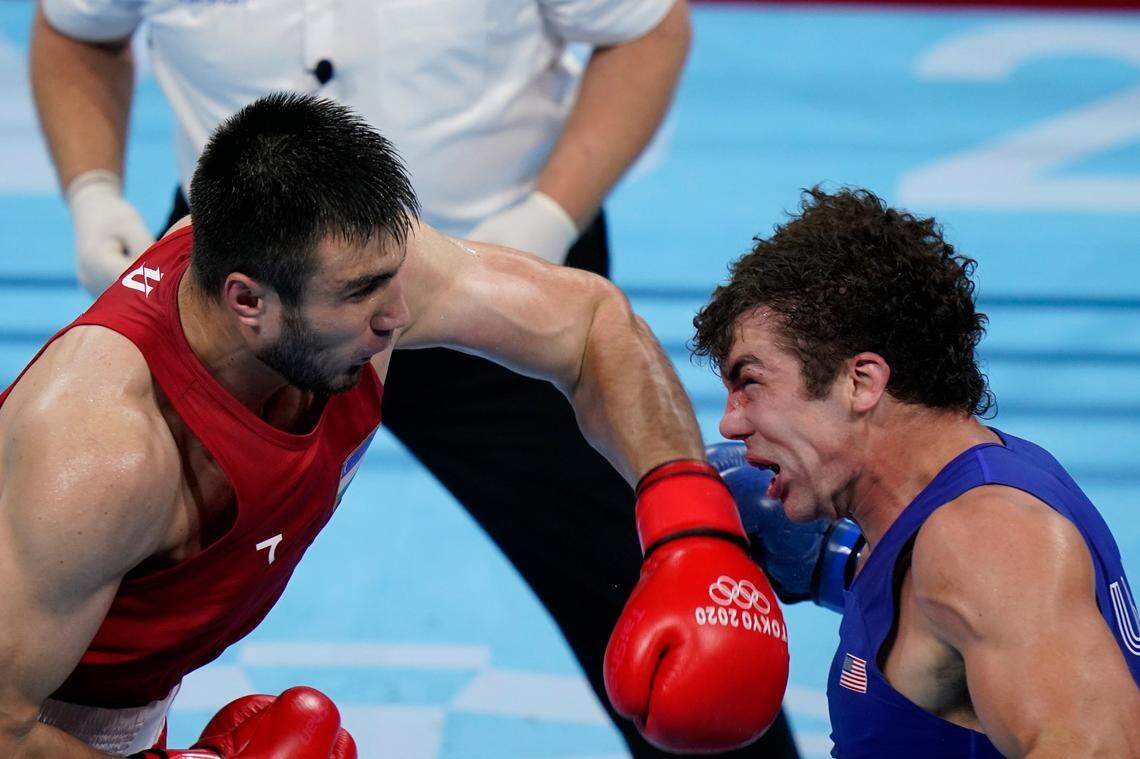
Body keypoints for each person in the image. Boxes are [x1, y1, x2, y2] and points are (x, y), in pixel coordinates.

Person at [28, 1, 803, 754]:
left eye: (398, 280)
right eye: (371, 294)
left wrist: (691, 522)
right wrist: (91, 197)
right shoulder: (99, 453)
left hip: (337, 263)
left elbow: (589, 321)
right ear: (247, 303)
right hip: (44, 706)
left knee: (667, 606)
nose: (403, 318)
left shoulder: (378, 284)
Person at [691, 186, 1140, 757]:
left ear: (860, 382)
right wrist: (832, 563)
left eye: (750, 383)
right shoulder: (949, 515)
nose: (730, 424)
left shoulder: (988, 543)